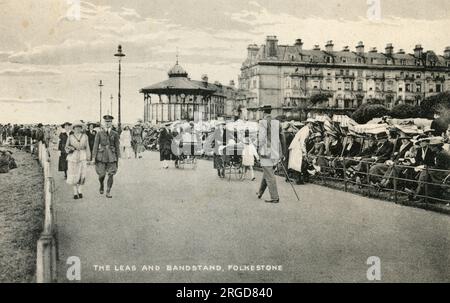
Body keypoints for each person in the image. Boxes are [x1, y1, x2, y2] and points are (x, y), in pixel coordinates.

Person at [256, 105, 281, 203]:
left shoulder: (263, 122)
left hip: (266, 151)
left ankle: (275, 197)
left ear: (263, 112)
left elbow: (262, 138)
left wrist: (259, 149)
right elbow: (281, 137)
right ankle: (260, 192)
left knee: (269, 174)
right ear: (270, 111)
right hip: (275, 150)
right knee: (267, 172)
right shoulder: (276, 122)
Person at [92, 115, 121, 198]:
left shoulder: (115, 133)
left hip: (112, 156)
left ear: (111, 123)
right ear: (104, 123)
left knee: (111, 174)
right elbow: (95, 145)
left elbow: (117, 146)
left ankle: (108, 191)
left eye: (109, 122)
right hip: (101, 156)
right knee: (101, 174)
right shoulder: (99, 133)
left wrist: (119, 157)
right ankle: (101, 184)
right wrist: (94, 157)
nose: (108, 123)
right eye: (106, 122)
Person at [65, 121, 91, 199]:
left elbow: (88, 147)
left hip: (82, 155)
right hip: (73, 157)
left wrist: (88, 156)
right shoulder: (70, 137)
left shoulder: (85, 136)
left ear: (81, 128)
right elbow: (66, 147)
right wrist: (70, 148)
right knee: (73, 174)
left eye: (79, 127)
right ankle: (75, 192)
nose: (78, 129)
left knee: (82, 174)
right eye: (76, 128)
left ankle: (80, 190)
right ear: (73, 129)